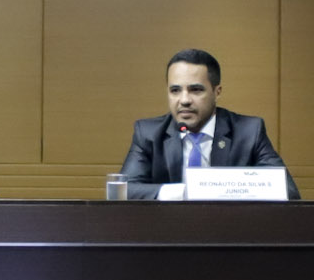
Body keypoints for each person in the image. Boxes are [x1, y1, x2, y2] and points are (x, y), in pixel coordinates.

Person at [119, 48, 298, 199]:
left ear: (217, 92)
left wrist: (219, 189)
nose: (184, 100)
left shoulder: (249, 132)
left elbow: (288, 192)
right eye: (175, 90)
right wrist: (182, 192)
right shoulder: (148, 133)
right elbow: (123, 191)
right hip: (169, 227)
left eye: (196, 90)